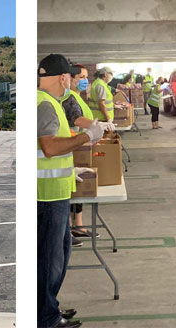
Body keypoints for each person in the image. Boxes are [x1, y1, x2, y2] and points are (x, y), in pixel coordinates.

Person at [37, 54, 105, 328]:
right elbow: (50, 148)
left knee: (60, 254)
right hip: (48, 195)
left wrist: (72, 170)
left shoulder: (48, 102)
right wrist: (87, 137)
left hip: (56, 191)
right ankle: (46, 317)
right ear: (64, 78)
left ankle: (49, 307)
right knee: (50, 260)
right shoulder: (45, 105)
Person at [61, 64, 115, 247]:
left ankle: (78, 225)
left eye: (86, 77)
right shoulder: (68, 96)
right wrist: (96, 126)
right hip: (74, 142)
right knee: (72, 189)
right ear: (70, 78)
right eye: (82, 77)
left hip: (80, 141)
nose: (85, 81)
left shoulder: (76, 95)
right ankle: (69, 228)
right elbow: (76, 118)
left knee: (78, 185)